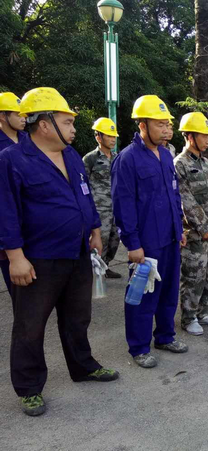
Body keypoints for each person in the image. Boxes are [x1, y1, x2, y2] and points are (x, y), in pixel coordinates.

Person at [0, 87, 119, 416]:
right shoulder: (11, 160)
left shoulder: (71, 156)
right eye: (67, 122)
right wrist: (15, 257)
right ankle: (29, 387)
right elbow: (5, 211)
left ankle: (83, 367)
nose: (73, 128)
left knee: (78, 317)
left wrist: (95, 231)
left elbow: (85, 196)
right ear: (44, 124)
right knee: (30, 325)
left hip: (77, 252)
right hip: (38, 258)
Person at [111, 95, 188, 368]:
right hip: (146, 242)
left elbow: (174, 195)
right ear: (142, 125)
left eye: (167, 124)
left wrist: (180, 229)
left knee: (168, 291)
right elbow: (123, 205)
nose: (166, 130)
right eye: (160, 124)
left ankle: (165, 336)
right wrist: (132, 244)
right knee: (142, 295)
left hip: (170, 237)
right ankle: (139, 347)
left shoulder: (166, 156)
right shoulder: (127, 159)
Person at [174, 112, 208, 336]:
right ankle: (189, 318)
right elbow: (185, 201)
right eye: (203, 135)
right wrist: (204, 228)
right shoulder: (180, 164)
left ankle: (204, 313)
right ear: (189, 136)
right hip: (196, 234)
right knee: (193, 277)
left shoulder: (207, 164)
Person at [82, 118, 121, 279]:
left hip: (116, 208)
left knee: (114, 240)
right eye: (109, 136)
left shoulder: (117, 158)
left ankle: (105, 265)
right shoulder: (90, 158)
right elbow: (82, 184)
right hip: (99, 209)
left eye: (114, 136)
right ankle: (92, 270)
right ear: (98, 136)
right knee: (100, 240)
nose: (113, 139)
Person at [0, 92, 27, 292]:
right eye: (18, 114)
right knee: (19, 290)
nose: (23, 118)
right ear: (2, 116)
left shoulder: (30, 140)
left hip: (32, 223)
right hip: (8, 223)